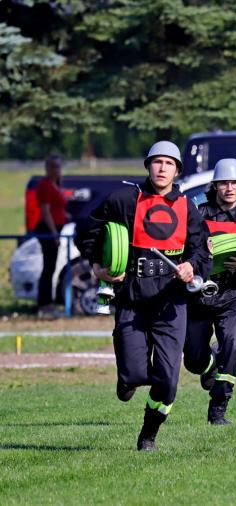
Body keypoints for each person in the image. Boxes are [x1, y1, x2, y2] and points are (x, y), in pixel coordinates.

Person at [75, 141, 210, 451]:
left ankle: (149, 434)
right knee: (135, 373)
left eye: (169, 163)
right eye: (157, 162)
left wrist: (191, 265)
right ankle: (127, 379)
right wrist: (97, 266)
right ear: (148, 166)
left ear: (177, 171)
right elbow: (88, 230)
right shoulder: (125, 199)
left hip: (171, 302)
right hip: (131, 298)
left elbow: (202, 250)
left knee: (167, 380)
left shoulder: (187, 207)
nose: (162, 168)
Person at [183, 158, 236, 425]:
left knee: (234, 347)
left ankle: (218, 410)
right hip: (197, 296)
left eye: (235, 183)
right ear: (216, 186)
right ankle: (209, 366)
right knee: (193, 361)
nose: (230, 188)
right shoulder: (197, 214)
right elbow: (182, 249)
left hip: (231, 295)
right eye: (224, 183)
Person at [34, 154, 68, 318]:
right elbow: (45, 211)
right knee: (48, 267)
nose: (56, 170)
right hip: (48, 230)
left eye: (58, 166)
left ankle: (48, 303)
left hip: (57, 228)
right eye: (53, 166)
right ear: (47, 168)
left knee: (51, 267)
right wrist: (54, 233)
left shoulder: (56, 185)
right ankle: (44, 304)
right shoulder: (45, 185)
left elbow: (58, 207)